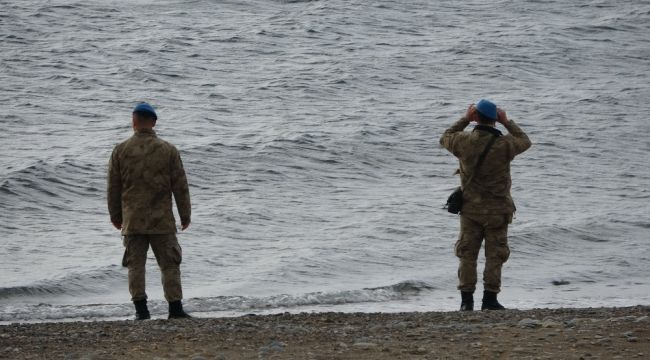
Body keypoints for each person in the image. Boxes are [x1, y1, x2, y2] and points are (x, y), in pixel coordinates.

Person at [440, 99, 531, 311]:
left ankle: (466, 302)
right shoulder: (505, 144)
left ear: (476, 118)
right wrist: (507, 121)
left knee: (467, 254)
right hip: (498, 210)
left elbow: (445, 137)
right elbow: (524, 140)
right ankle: (490, 299)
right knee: (495, 255)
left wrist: (464, 118)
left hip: (470, 210)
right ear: (495, 120)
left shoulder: (463, 141)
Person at [107, 102, 192, 320]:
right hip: (161, 219)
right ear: (153, 122)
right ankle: (175, 308)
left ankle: (141, 311)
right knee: (169, 264)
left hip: (132, 220)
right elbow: (180, 186)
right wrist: (185, 215)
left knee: (136, 266)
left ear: (133, 121)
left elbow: (113, 187)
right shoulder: (168, 150)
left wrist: (116, 216)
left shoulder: (120, 150)